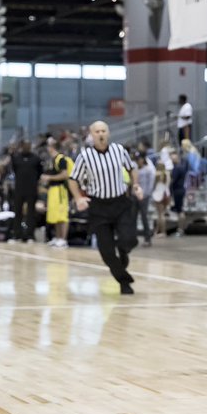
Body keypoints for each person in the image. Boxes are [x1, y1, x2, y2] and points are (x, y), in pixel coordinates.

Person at [67, 120, 143, 294]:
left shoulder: (119, 150)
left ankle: (124, 251)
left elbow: (132, 168)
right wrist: (78, 198)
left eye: (103, 131)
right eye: (97, 132)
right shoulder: (85, 156)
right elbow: (72, 180)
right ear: (91, 136)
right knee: (107, 252)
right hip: (99, 207)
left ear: (108, 133)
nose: (100, 134)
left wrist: (136, 185)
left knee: (129, 239)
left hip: (120, 202)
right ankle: (124, 281)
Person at [7, 140, 42, 242]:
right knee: (18, 212)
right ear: (22, 146)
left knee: (31, 213)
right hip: (19, 190)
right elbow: (13, 169)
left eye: (28, 145)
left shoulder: (36, 158)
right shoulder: (16, 158)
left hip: (31, 190)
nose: (27, 147)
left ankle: (30, 235)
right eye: (25, 145)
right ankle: (17, 235)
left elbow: (40, 172)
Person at [42, 139, 73, 248]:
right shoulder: (53, 160)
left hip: (60, 190)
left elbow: (64, 175)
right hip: (53, 189)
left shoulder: (61, 159)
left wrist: (49, 177)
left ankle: (63, 239)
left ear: (52, 147)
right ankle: (58, 237)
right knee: (55, 214)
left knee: (62, 215)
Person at [134, 151, 155, 246]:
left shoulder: (148, 170)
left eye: (140, 159)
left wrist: (145, 194)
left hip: (144, 197)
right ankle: (132, 237)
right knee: (133, 216)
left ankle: (147, 238)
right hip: (134, 196)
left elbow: (150, 185)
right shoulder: (135, 169)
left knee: (144, 217)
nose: (138, 161)